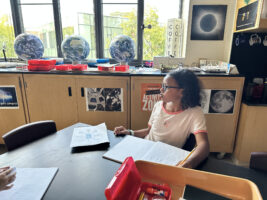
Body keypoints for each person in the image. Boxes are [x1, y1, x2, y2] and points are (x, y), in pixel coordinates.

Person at [114, 69, 209, 168]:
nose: (161, 90)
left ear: (182, 92)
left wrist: (189, 162)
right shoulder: (158, 105)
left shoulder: (194, 113)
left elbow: (203, 144)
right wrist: (129, 132)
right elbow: (149, 132)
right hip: (145, 150)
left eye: (165, 87)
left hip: (166, 159)